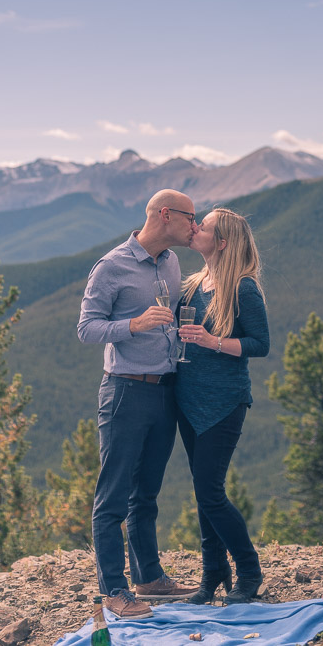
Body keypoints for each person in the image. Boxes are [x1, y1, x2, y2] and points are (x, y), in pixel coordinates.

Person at [77, 189, 199, 620]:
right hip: (125, 390)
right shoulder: (112, 266)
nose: (195, 226)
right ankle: (113, 590)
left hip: (165, 389)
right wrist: (135, 323)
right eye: (190, 217)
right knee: (112, 496)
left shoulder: (171, 261)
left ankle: (149, 578)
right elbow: (86, 328)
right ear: (166, 215)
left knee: (145, 493)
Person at [176, 207, 270, 605]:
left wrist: (210, 341)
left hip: (225, 401)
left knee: (211, 492)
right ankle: (213, 572)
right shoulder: (194, 282)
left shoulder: (243, 288)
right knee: (202, 491)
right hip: (188, 400)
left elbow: (260, 345)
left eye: (205, 227)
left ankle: (249, 571)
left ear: (223, 241)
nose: (195, 228)